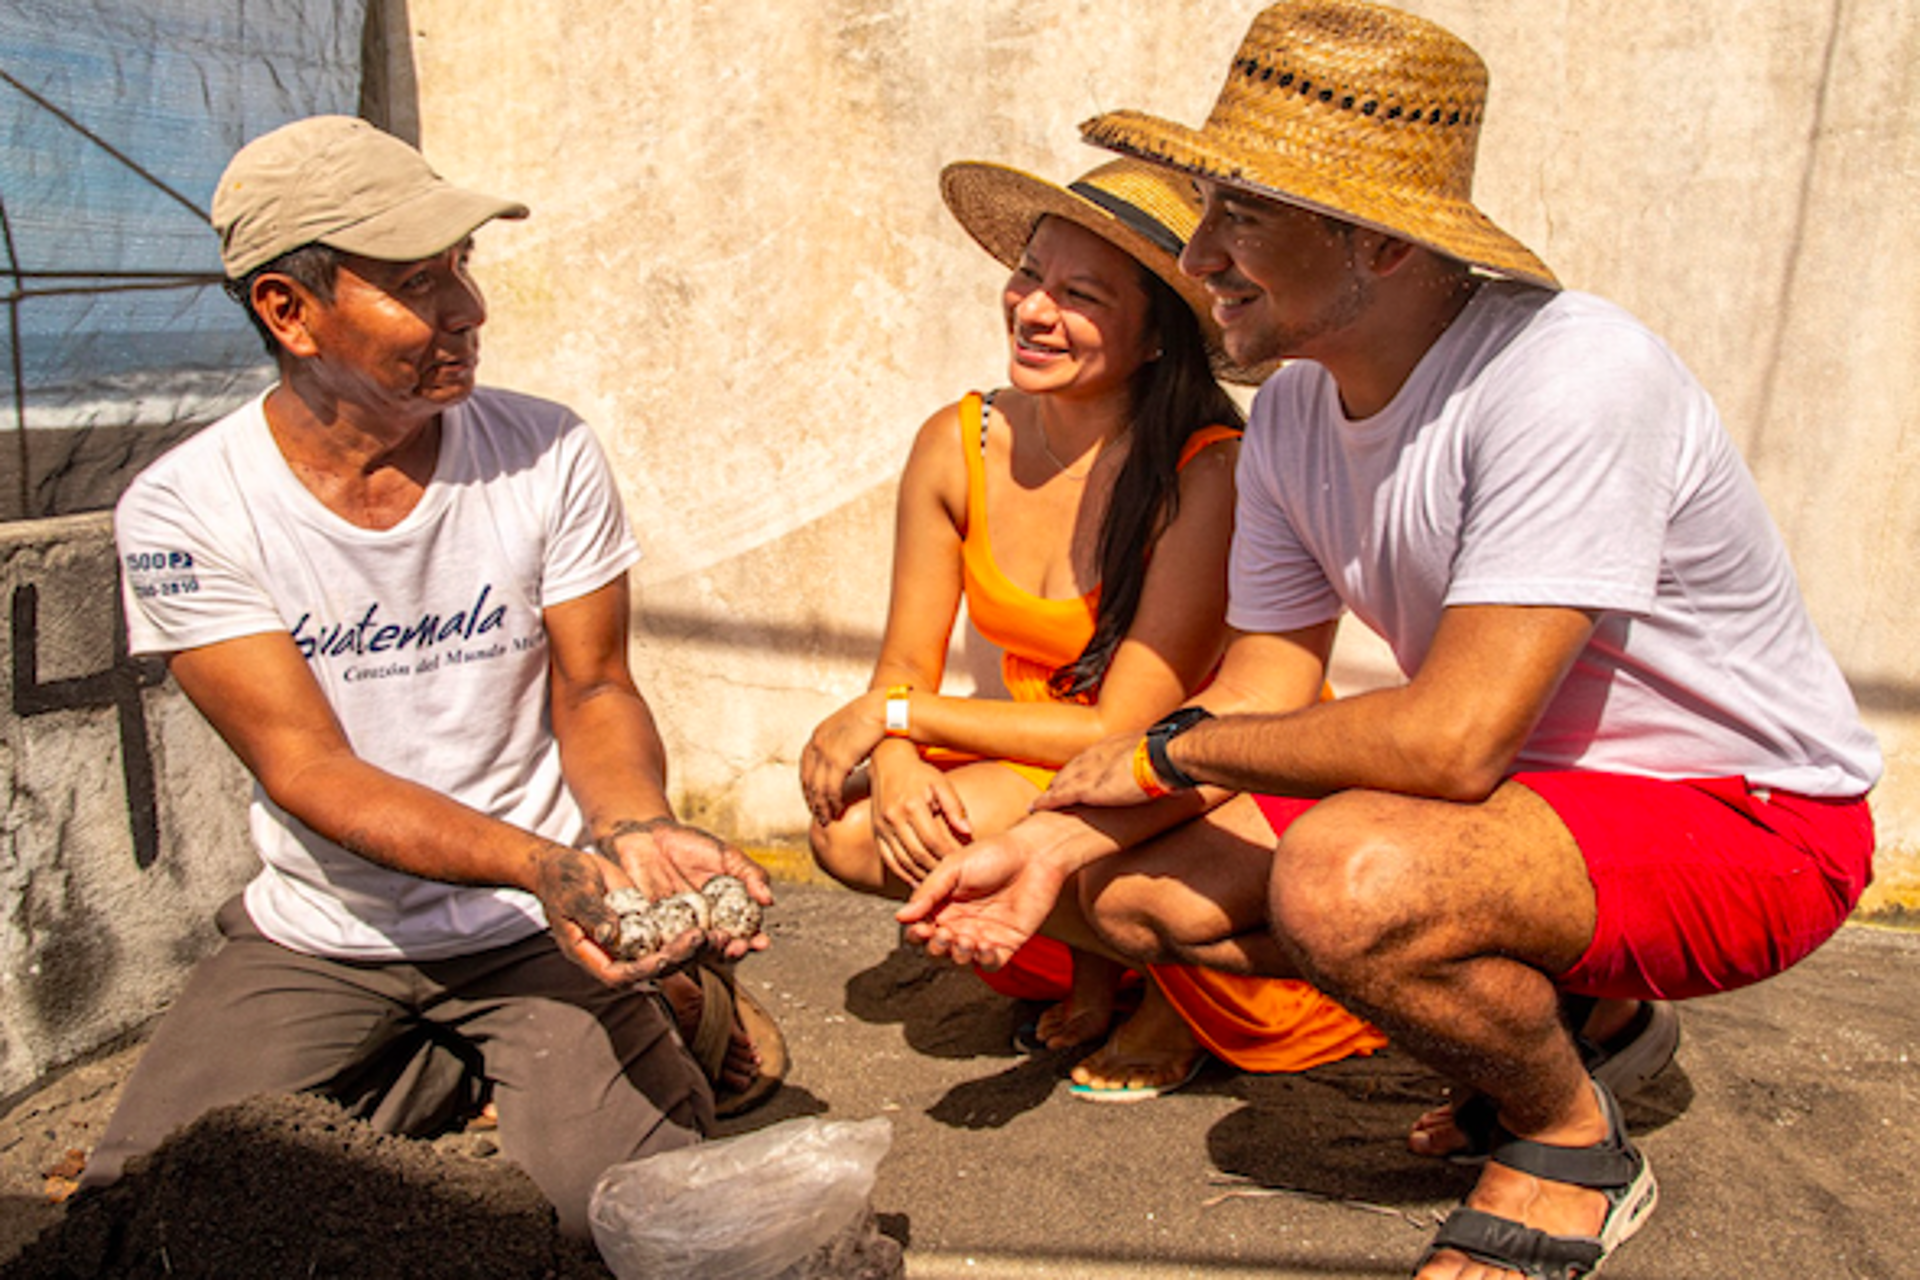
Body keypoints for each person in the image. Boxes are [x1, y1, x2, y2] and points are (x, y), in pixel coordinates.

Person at [898, 4, 1880, 1278]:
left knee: (1348, 881)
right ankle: (1583, 1014)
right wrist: (1044, 843)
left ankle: (1566, 1140)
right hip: (1538, 811)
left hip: (1752, 821)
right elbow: (1259, 691)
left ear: (1373, 240)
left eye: (1241, 216)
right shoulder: (1301, 406)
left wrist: (1154, 762)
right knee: (1134, 892)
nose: (1198, 256)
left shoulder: (1570, 377)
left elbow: (1453, 738)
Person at [85, 115, 786, 1237]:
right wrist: (544, 863)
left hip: (538, 931)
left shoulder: (545, 449)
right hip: (327, 931)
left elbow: (595, 687)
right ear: (287, 309)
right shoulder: (186, 508)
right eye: (419, 281)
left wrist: (631, 834)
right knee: (141, 1215)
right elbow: (307, 767)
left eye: (463, 266)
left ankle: (629, 1021)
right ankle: (452, 1060)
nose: (469, 308)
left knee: (641, 1221)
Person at [801, 158, 1383, 1099]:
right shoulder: (956, 442)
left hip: (1189, 771)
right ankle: (1099, 962)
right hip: (1057, 750)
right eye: (1029, 273)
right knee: (854, 831)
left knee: (1063, 839)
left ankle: (1172, 978)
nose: (1034, 310)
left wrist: (899, 720)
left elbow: (1124, 728)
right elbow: (904, 666)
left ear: (1159, 335)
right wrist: (899, 753)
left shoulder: (1206, 472)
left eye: (1080, 296)